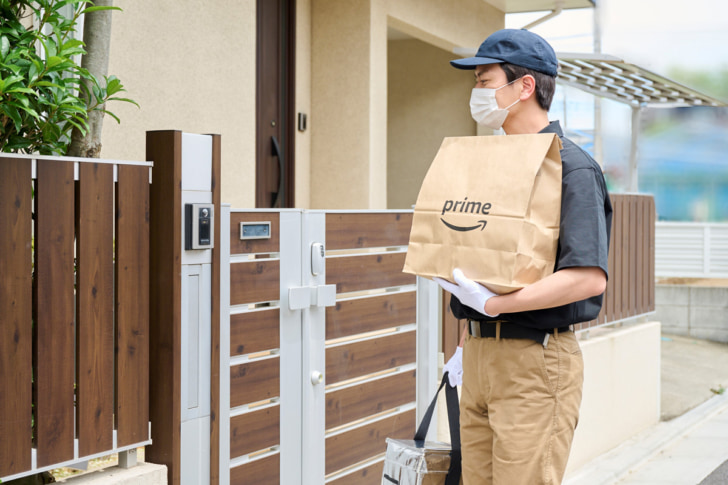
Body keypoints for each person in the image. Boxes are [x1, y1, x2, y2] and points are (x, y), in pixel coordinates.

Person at [436, 29, 613, 485]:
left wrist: (494, 306)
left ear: (525, 86)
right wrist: (470, 335)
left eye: (484, 79)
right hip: (478, 354)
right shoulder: (490, 165)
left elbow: (588, 277)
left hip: (535, 359)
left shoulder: (570, 167)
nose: (477, 92)